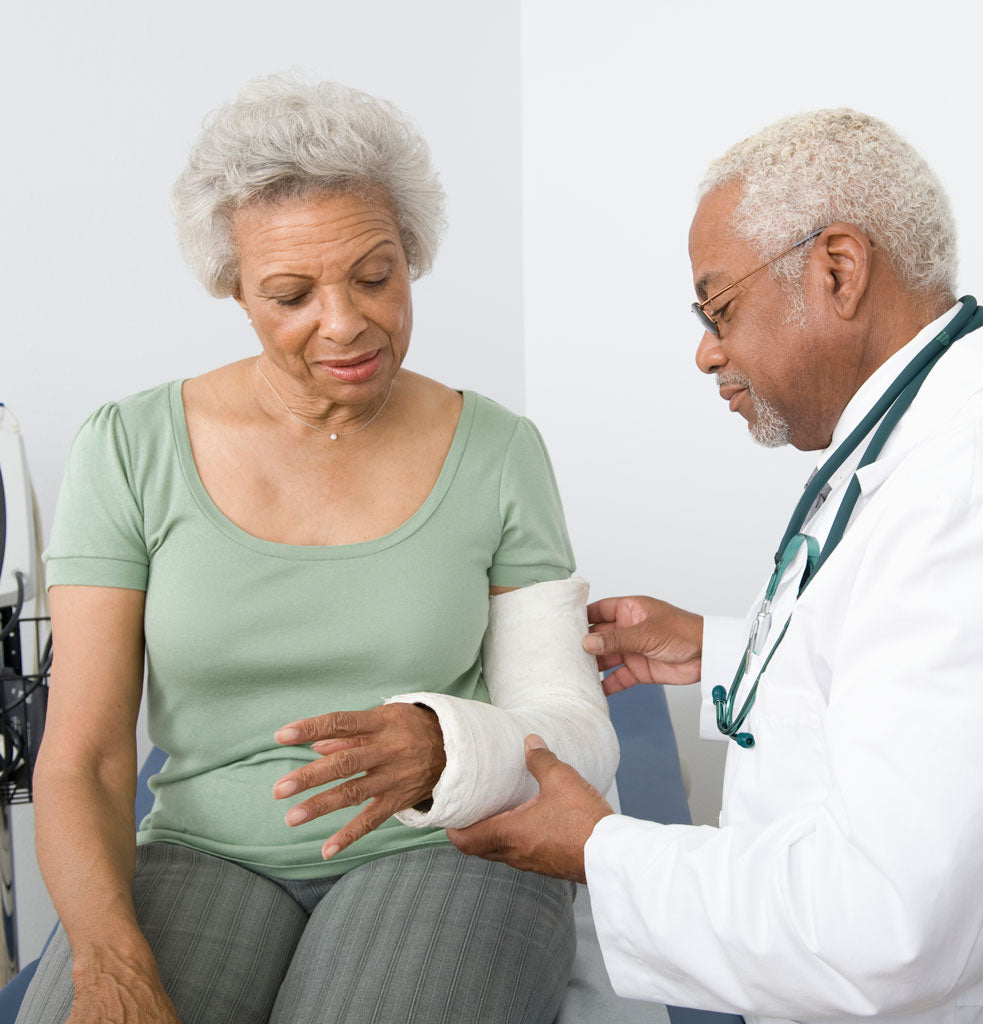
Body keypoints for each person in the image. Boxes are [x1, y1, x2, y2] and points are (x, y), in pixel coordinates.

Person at [20, 75, 619, 1024]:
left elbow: (565, 723)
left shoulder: (500, 450)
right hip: (202, 852)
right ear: (236, 290)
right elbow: (85, 759)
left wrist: (447, 745)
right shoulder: (129, 448)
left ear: (411, 255)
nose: (345, 322)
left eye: (376, 276)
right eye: (292, 294)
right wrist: (110, 962)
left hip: (446, 844)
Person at [449, 108, 983, 1023]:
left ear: (838, 269)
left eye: (720, 309)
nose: (707, 351)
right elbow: (903, 675)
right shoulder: (923, 433)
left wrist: (603, 850)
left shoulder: (964, 496)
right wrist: (722, 652)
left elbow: (883, 925)